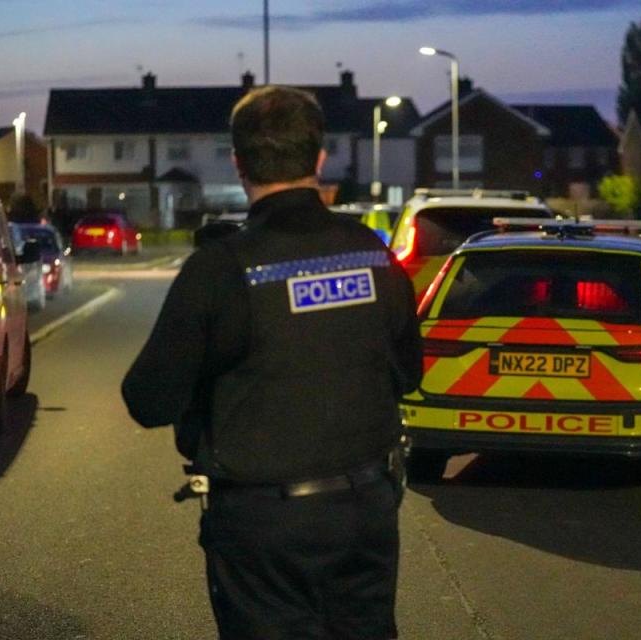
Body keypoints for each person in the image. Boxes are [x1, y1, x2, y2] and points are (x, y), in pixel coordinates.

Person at [121, 85, 423, 640]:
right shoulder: (372, 253)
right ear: (320, 159)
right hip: (365, 513)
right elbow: (410, 372)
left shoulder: (223, 269)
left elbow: (147, 399)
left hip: (263, 528)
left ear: (238, 164)